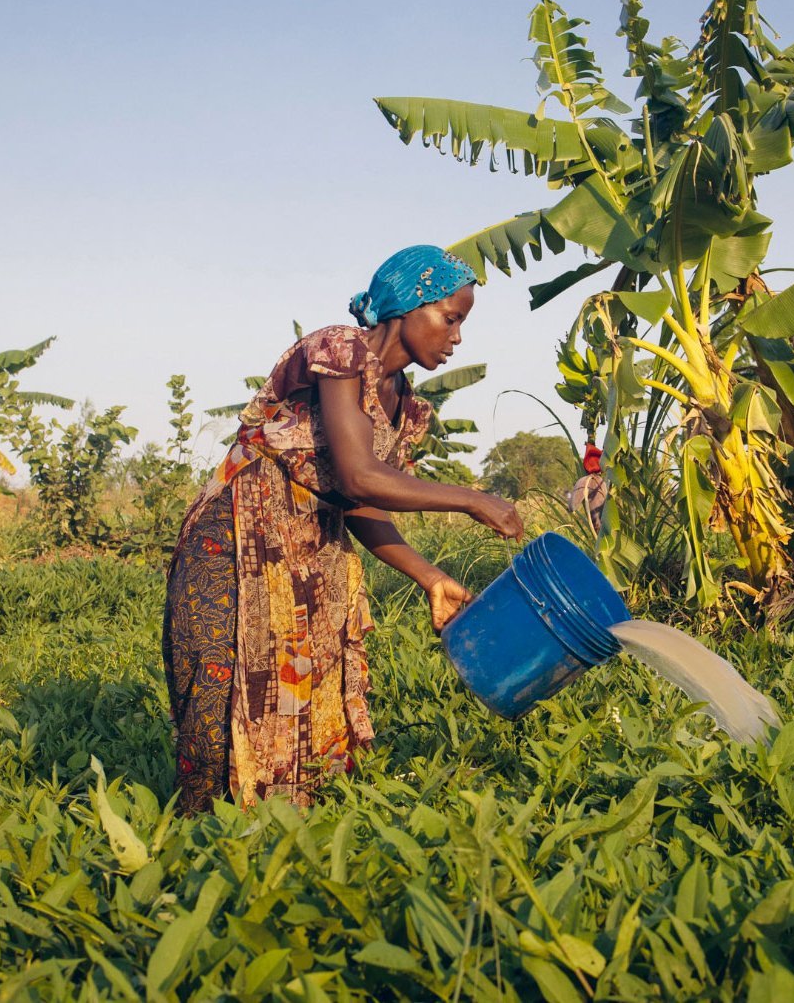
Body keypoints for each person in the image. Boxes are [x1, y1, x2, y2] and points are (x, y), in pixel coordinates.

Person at [162, 245, 524, 814]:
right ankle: (201, 840)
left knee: (302, 695)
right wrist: (471, 499)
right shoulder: (341, 351)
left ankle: (284, 842)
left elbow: (360, 502)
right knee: (222, 686)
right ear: (408, 306)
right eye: (450, 319)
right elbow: (358, 476)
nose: (456, 337)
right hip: (238, 536)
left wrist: (430, 578)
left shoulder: (406, 407)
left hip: (314, 548)